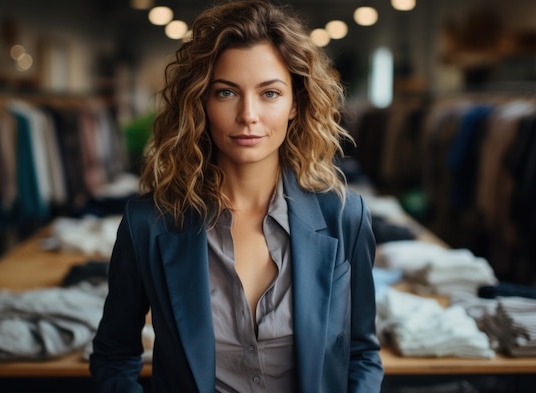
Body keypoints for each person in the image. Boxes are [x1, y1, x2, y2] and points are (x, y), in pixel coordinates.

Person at [89, 0, 384, 392]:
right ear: (202, 102)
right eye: (227, 92)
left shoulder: (343, 216)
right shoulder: (149, 224)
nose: (248, 114)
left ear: (295, 103)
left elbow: (362, 353)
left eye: (270, 93)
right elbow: (115, 353)